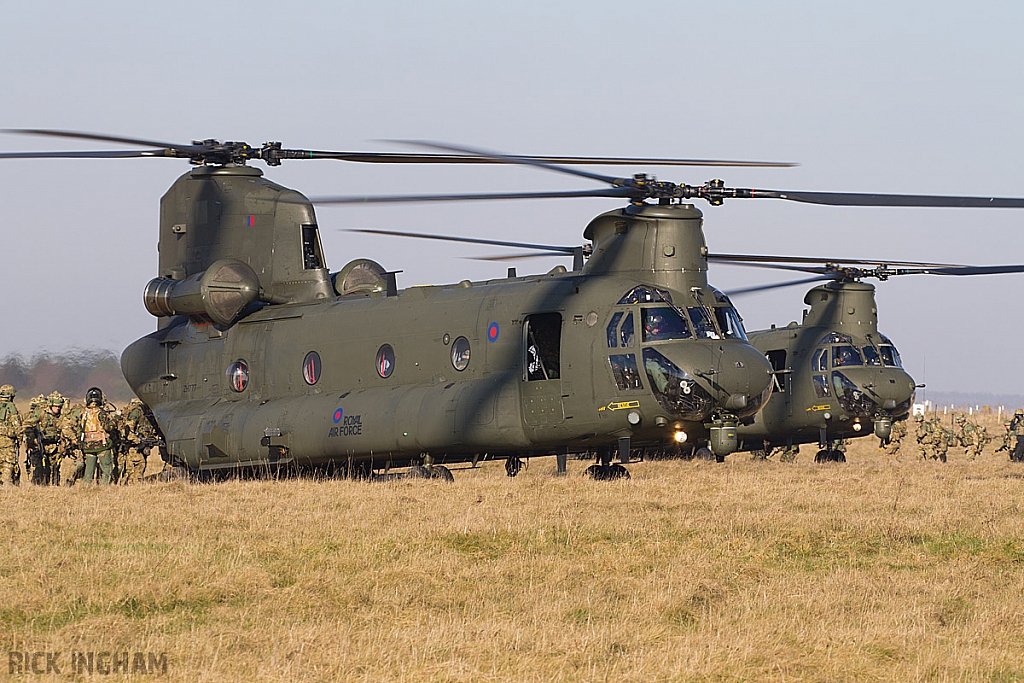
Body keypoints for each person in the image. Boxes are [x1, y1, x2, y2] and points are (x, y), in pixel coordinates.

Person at [23, 392, 65, 485]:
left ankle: (55, 485)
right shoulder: (41, 413)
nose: (58, 408)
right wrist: (32, 437)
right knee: (41, 468)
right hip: (41, 445)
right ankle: (39, 485)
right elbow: (27, 424)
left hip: (55, 445)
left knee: (55, 467)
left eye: (59, 407)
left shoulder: (61, 416)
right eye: (55, 406)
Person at [79, 387, 117, 486]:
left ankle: (85, 487)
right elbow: (108, 427)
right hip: (101, 445)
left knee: (89, 470)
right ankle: (104, 488)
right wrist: (116, 419)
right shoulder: (101, 413)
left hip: (87, 446)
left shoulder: (83, 413)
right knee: (106, 468)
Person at [121, 398, 157, 484]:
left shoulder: (150, 412)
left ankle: (130, 486)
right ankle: (132, 486)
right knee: (137, 467)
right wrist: (136, 440)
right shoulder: (137, 412)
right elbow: (128, 429)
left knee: (138, 467)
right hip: (134, 445)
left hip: (142, 444)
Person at [0, 385, 22, 485]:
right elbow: (16, 425)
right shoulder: (10, 406)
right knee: (8, 465)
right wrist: (20, 438)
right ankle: (6, 488)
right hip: (8, 442)